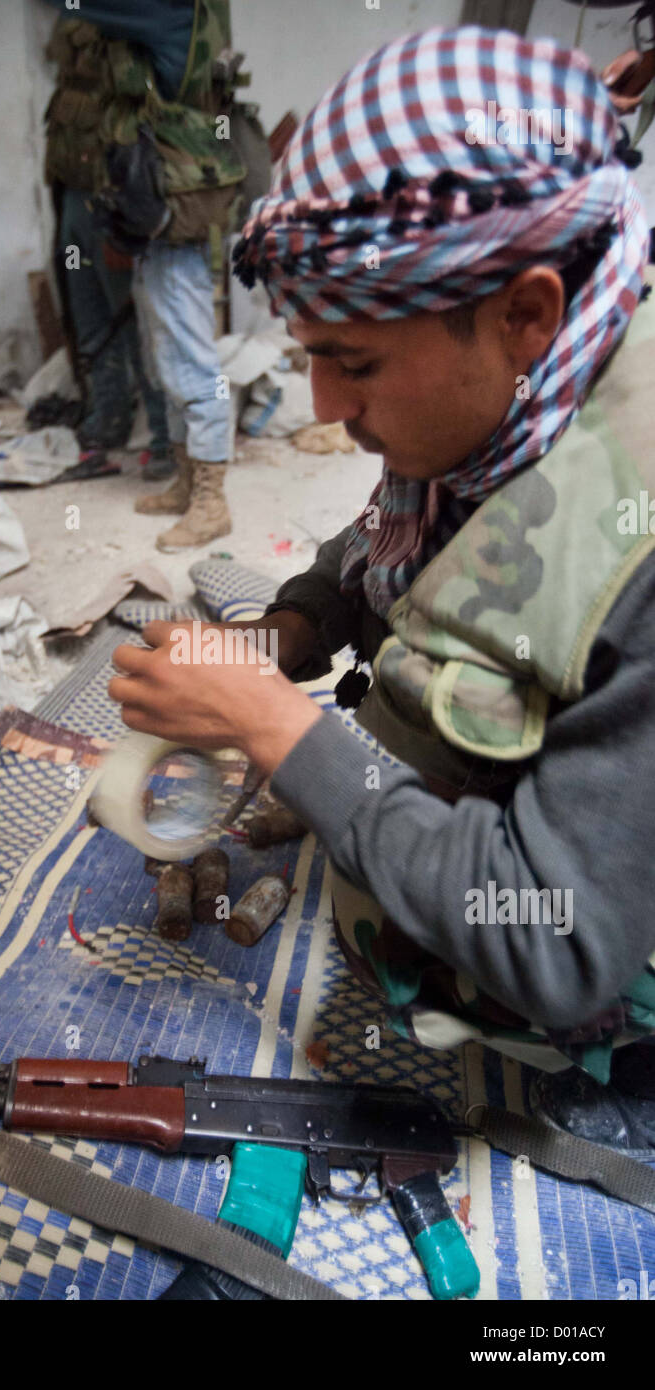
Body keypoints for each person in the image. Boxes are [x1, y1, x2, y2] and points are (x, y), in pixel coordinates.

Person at [106, 26, 655, 1154]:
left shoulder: (632, 530)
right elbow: (388, 543)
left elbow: (556, 937)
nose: (318, 407)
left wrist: (276, 729)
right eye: (311, 353)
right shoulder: (504, 401)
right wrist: (286, 635)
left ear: (526, 315)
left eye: (351, 363)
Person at [43, 0, 243, 546]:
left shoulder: (172, 11)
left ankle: (211, 498)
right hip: (156, 207)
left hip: (177, 211)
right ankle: (185, 479)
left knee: (192, 360)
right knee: (166, 357)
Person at [43, 5, 174, 480]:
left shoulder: (137, 28)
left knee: (135, 326)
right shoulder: (75, 29)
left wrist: (128, 218)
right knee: (91, 318)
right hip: (74, 197)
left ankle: (163, 438)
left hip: (113, 200)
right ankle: (109, 417)